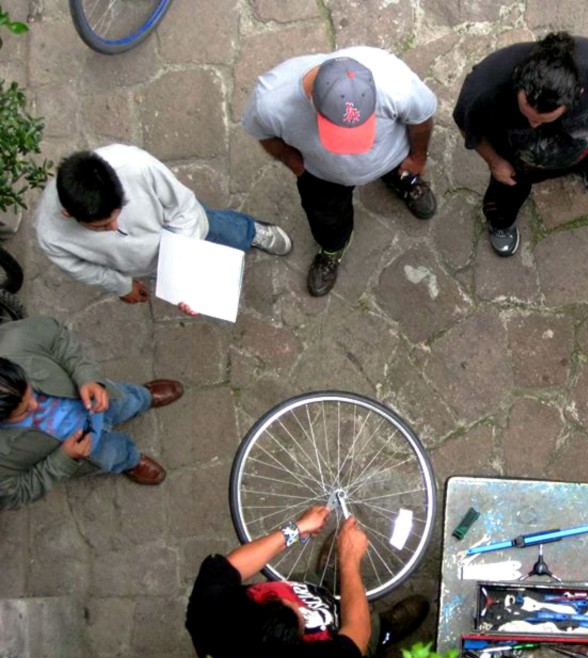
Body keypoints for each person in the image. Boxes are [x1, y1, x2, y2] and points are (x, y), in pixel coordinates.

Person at [185, 506, 430, 658]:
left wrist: (296, 529)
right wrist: (349, 561)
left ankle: (326, 579)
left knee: (312, 585)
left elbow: (231, 566)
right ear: (295, 643)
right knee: (365, 637)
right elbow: (356, 632)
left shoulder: (209, 611)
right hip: (347, 645)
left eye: (274, 600)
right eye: (298, 615)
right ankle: (383, 631)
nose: (298, 605)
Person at [243, 47, 437, 297]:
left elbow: (421, 118)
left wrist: (417, 158)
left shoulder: (395, 80)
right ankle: (332, 248)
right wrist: (297, 166)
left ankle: (406, 183)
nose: (353, 151)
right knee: (327, 219)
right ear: (312, 98)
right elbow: (264, 134)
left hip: (393, 159)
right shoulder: (270, 101)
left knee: (405, 173)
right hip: (322, 176)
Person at [453, 32, 588, 257]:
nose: (533, 124)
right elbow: (466, 124)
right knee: (504, 198)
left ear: (578, 93)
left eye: (542, 119)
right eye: (527, 115)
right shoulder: (486, 86)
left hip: (583, 147)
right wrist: (495, 162)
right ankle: (500, 222)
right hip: (518, 166)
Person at [35, 145, 292, 314]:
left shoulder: (136, 165)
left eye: (118, 214)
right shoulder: (51, 238)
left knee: (227, 231)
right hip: (148, 266)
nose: (114, 228)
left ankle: (251, 232)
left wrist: (181, 264)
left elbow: (183, 208)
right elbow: (84, 269)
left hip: (189, 229)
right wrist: (122, 286)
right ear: (68, 214)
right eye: (101, 227)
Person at [0, 316, 183, 510]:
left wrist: (87, 377)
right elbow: (16, 493)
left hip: (102, 398)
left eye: (30, 392)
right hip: (88, 451)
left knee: (126, 399)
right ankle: (130, 460)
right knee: (112, 455)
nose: (35, 405)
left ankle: (144, 397)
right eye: (24, 411)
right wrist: (63, 460)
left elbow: (57, 337)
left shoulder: (12, 341)